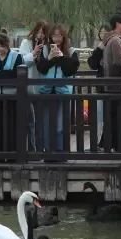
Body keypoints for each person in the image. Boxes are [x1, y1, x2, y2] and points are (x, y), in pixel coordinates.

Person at [35, 23, 80, 156]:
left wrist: (60, 57)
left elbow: (70, 70)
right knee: (46, 124)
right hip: (46, 91)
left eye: (59, 36)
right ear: (50, 37)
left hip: (63, 91)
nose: (57, 38)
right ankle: (48, 152)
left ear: (64, 37)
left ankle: (61, 152)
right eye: (54, 36)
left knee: (61, 124)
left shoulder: (71, 51)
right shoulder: (44, 50)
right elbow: (41, 68)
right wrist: (50, 58)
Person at [0, 33, 24, 157]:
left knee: (11, 124)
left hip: (11, 95)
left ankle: (11, 153)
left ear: (7, 45)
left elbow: (15, 74)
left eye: (1, 46)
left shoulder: (16, 56)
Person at [99, 15, 121, 152]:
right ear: (118, 24)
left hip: (110, 85)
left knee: (112, 118)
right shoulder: (116, 41)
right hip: (117, 85)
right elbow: (120, 62)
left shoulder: (109, 40)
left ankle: (110, 146)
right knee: (118, 119)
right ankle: (118, 147)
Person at [19, 21, 49, 153]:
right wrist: (34, 53)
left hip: (42, 87)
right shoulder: (26, 43)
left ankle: (40, 148)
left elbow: (47, 64)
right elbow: (22, 61)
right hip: (28, 87)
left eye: (43, 32)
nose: (40, 35)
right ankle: (31, 150)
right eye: (39, 31)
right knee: (30, 121)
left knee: (41, 121)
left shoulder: (48, 46)